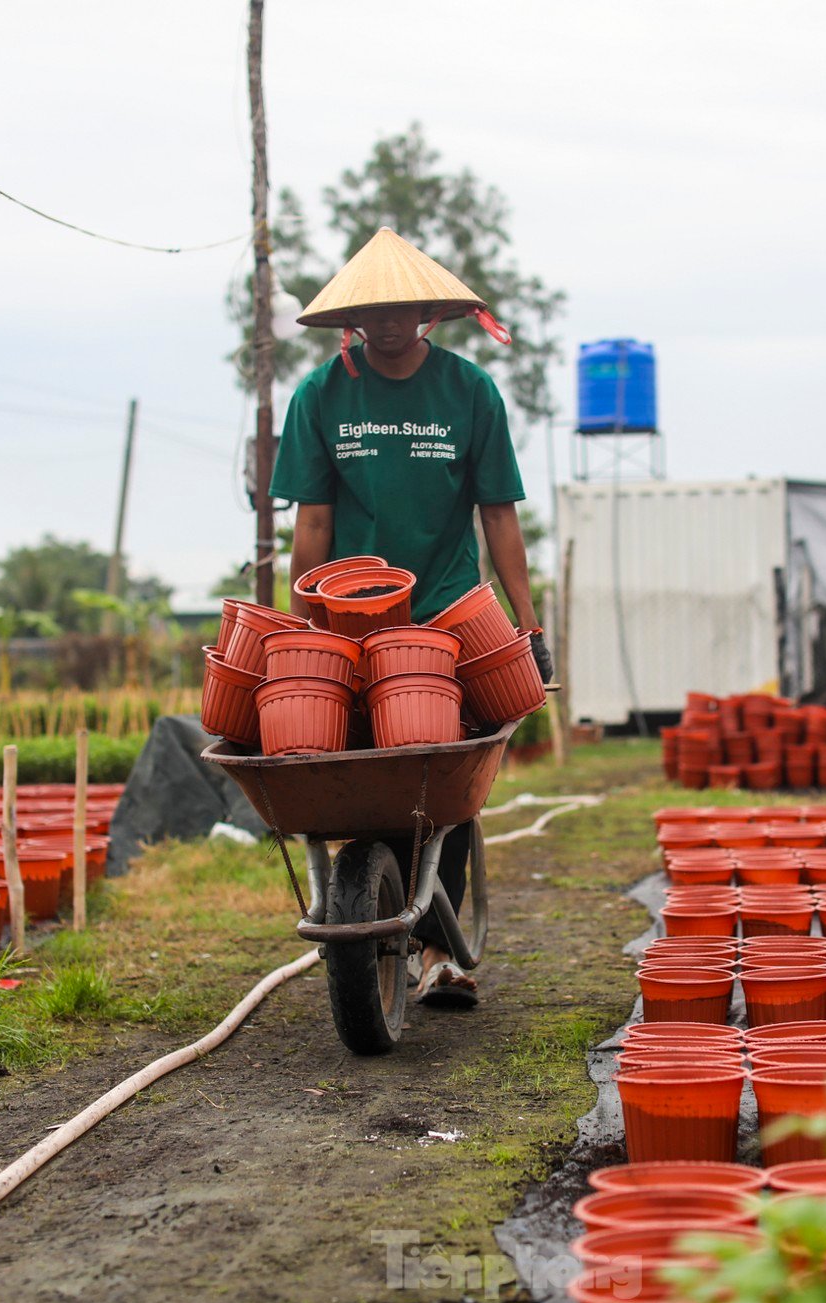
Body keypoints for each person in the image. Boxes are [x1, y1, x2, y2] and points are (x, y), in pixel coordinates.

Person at [270, 227, 552, 1010]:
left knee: (444, 773)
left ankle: (439, 948)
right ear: (352, 318)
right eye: (373, 312)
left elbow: (499, 518)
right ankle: (387, 914)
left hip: (449, 613)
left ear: (429, 310)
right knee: (373, 770)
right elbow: (313, 527)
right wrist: (302, 635)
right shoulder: (321, 397)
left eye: (403, 309)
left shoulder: (470, 392)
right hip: (350, 620)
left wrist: (527, 626)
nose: (388, 323)